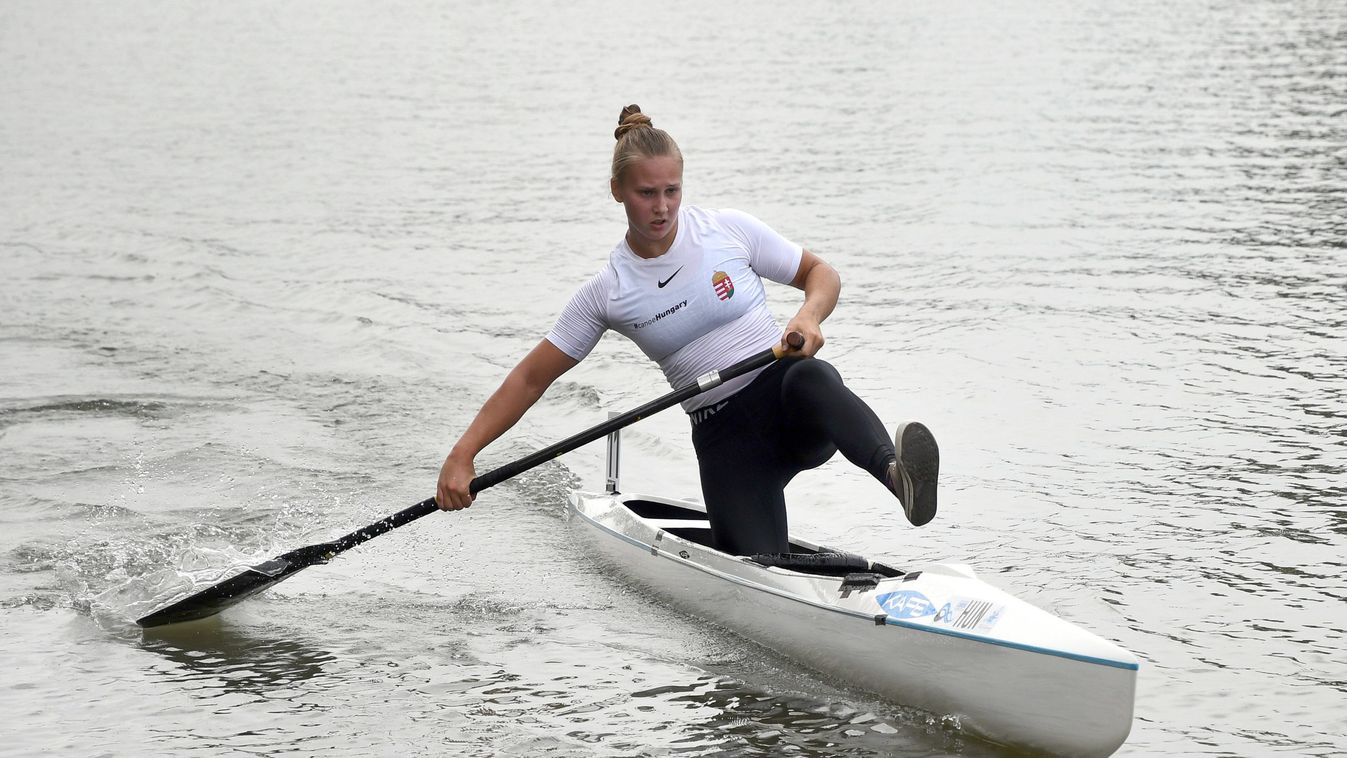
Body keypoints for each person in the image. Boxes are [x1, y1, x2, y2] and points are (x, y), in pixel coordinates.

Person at [436, 105, 939, 556]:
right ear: (617, 192)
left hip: (788, 403)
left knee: (812, 376)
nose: (661, 207)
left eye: (671, 191)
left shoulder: (726, 230)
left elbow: (820, 274)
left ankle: (898, 479)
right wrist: (463, 456)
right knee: (754, 566)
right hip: (724, 440)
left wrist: (808, 317)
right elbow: (529, 379)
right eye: (646, 193)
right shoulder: (607, 291)